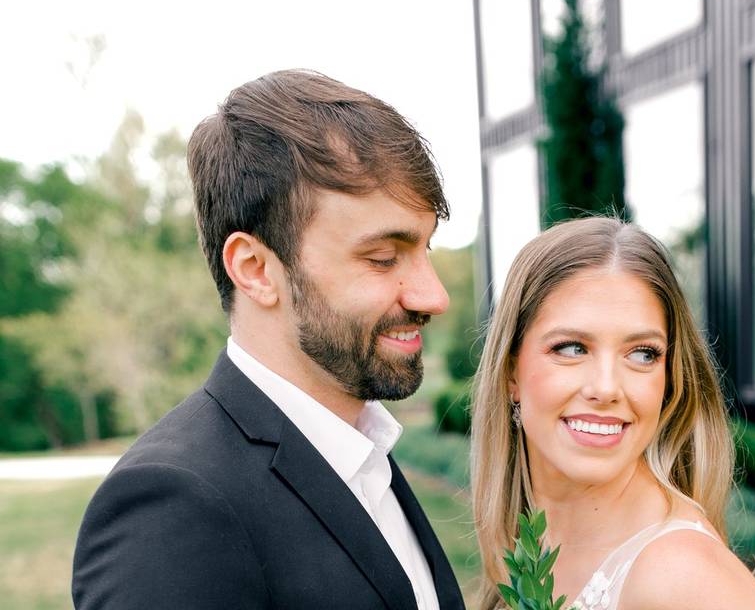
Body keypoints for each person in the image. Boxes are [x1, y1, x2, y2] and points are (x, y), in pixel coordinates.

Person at [72, 69, 465, 610]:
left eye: (426, 251)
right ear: (255, 269)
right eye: (383, 259)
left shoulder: (364, 451)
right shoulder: (171, 509)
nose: (433, 295)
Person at [471, 217, 755, 610]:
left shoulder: (681, 573)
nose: (606, 388)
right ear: (511, 369)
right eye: (571, 348)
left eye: (642, 354)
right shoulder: (529, 542)